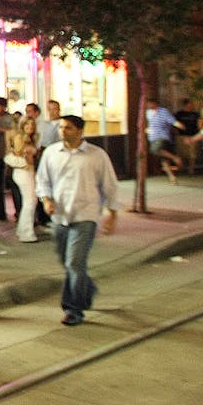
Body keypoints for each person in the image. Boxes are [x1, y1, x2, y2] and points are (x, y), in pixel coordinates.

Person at [35, 114, 123, 326]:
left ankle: (73, 308)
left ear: (80, 131)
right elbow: (43, 180)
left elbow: (109, 184)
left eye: (69, 128)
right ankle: (87, 288)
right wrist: (46, 200)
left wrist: (112, 213)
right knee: (69, 263)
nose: (63, 131)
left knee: (74, 262)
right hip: (60, 216)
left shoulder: (97, 155)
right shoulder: (51, 153)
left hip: (86, 215)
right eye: (62, 127)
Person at [7, 117, 41, 243]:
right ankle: (26, 232)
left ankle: (24, 229)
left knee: (31, 200)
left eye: (32, 125)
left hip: (30, 171)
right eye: (27, 125)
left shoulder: (32, 138)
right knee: (30, 201)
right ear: (23, 125)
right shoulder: (20, 138)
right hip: (23, 171)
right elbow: (18, 153)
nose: (30, 127)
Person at [145, 97, 183, 184]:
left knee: (155, 150)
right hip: (152, 137)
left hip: (162, 136)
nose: (148, 105)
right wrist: (148, 129)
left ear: (154, 103)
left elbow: (171, 120)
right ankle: (172, 177)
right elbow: (150, 124)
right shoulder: (148, 113)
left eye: (149, 103)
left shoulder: (163, 111)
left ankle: (175, 158)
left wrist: (178, 124)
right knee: (164, 160)